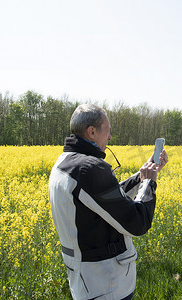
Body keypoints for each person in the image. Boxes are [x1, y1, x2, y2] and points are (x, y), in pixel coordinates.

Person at [48, 103, 168, 300]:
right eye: (108, 131)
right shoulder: (90, 168)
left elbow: (106, 199)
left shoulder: (65, 163)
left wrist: (141, 176)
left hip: (85, 282)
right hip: (107, 285)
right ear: (92, 132)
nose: (110, 137)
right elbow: (138, 223)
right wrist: (148, 184)